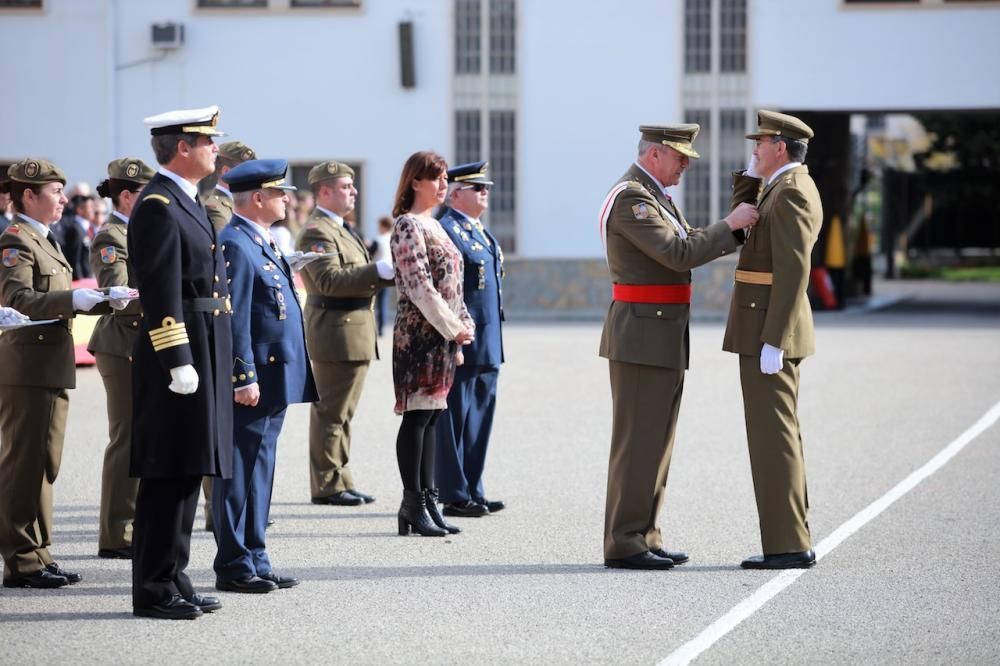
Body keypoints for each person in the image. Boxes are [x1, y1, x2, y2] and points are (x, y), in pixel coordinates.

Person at [598, 124, 759, 570]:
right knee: (637, 443)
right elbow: (678, 254)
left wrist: (734, 222)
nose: (686, 164)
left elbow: (687, 243)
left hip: (660, 334)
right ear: (653, 155)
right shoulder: (632, 198)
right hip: (641, 336)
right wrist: (730, 226)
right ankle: (624, 541)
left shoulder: (655, 197)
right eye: (680, 157)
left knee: (657, 442)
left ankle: (645, 533)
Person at [128, 105, 232, 620]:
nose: (216, 148)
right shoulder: (157, 205)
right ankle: (152, 586)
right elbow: (161, 290)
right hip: (178, 354)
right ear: (183, 147)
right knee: (166, 470)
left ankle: (174, 574)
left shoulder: (186, 200)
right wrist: (177, 359)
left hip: (203, 345)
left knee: (190, 466)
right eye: (208, 141)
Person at [0, 158, 113, 589]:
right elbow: (19, 298)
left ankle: (38, 552)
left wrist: (104, 299)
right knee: (23, 464)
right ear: (27, 196)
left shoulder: (42, 239)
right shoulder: (16, 241)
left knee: (44, 463)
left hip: (48, 364)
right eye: (55, 192)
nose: (64, 199)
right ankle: (21, 559)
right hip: (27, 366)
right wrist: (73, 302)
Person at [722, 110, 823, 570]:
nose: (754, 150)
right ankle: (792, 535)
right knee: (775, 435)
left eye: (760, 143)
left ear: (780, 146)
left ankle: (787, 545)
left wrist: (774, 340)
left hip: (767, 331)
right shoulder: (778, 186)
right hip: (762, 327)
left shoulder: (793, 193)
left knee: (773, 439)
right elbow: (745, 225)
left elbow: (794, 270)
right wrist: (748, 175)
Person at [213, 159, 317, 594]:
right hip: (255, 376)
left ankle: (256, 554)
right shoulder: (236, 243)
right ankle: (234, 563)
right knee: (238, 469)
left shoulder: (262, 239)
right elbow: (233, 318)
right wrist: (242, 376)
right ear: (257, 198)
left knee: (260, 468)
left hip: (275, 374)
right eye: (279, 193)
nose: (287, 199)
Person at [297, 161, 393, 506]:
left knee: (344, 414)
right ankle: (326, 484)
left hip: (353, 332)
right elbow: (328, 281)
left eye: (353, 186)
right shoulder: (317, 231)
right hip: (336, 333)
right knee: (331, 414)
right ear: (324, 191)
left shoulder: (343, 228)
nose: (353, 192)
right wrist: (378, 270)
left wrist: (382, 273)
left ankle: (341, 477)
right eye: (344, 187)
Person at [390, 150, 475, 537]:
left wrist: (464, 325)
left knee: (434, 417)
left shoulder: (436, 225)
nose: (445, 185)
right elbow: (419, 286)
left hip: (443, 337)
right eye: (437, 178)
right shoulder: (408, 225)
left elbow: (453, 286)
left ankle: (428, 499)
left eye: (445, 179)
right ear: (415, 182)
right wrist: (452, 327)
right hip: (419, 338)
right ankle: (413, 502)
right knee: (418, 417)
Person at [88, 157, 155, 560]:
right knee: (127, 439)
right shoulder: (111, 237)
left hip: (147, 343)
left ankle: (136, 523)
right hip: (122, 346)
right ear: (127, 196)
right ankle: (116, 533)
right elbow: (120, 297)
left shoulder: (142, 230)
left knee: (145, 438)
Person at [435, 161, 506, 518]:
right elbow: (448, 291)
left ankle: (473, 487)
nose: (485, 193)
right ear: (455, 194)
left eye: (487, 187)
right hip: (463, 340)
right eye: (478, 188)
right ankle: (453, 492)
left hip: (488, 341)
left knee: (479, 418)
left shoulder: (478, 231)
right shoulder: (447, 230)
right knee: (455, 420)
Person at [198, 140, 256, 531]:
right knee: (220, 427)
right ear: (225, 172)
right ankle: (215, 510)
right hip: (218, 321)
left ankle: (227, 510)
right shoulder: (216, 207)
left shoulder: (233, 206)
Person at [203, 141, 257, 232]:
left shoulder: (244, 203)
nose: (253, 176)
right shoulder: (214, 207)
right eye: (246, 170)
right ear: (227, 172)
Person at [369, 215, 393, 336]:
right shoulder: (393, 238)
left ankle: (374, 327)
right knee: (383, 302)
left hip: (377, 273)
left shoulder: (378, 240)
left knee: (373, 302)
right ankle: (381, 328)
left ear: (383, 226)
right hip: (390, 274)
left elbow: (370, 254)